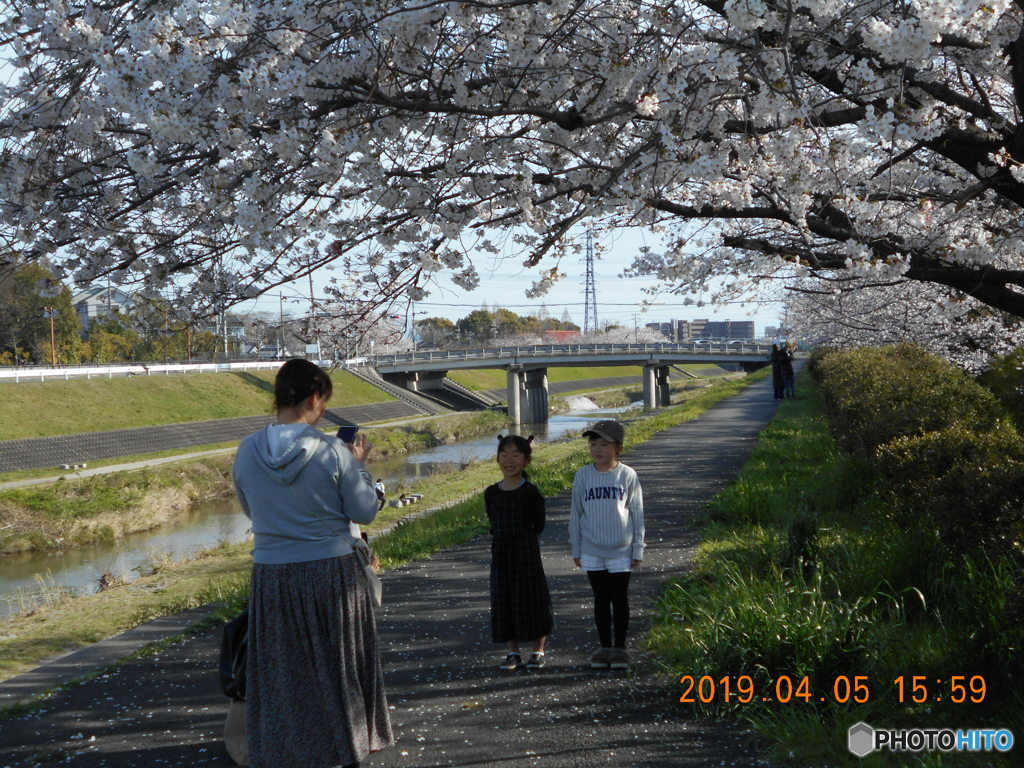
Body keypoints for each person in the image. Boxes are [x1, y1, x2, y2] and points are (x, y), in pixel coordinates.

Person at [232, 358, 393, 768]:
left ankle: (290, 749)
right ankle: (348, 745)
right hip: (330, 571)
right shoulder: (332, 450)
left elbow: (252, 510)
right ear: (316, 397)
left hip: (272, 574)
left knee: (287, 672)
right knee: (339, 668)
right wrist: (358, 467)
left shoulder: (248, 450)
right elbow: (365, 512)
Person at [569, 420, 645, 670]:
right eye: (593, 444)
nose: (597, 449)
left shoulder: (627, 475)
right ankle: (604, 647)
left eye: (604, 444)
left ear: (618, 448)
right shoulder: (583, 475)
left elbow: (637, 513)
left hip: (621, 548)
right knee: (600, 598)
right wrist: (577, 548)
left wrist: (638, 547)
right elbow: (575, 514)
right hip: (592, 549)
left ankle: (620, 649)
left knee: (619, 598)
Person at [484, 434, 553, 671]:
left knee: (533, 599)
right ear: (497, 459)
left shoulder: (531, 492)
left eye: (515, 455)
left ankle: (538, 649)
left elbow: (539, 524)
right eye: (504, 455)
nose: (509, 460)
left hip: (525, 551)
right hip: (500, 552)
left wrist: (524, 541)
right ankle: (512, 652)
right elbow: (493, 521)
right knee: (503, 601)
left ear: (526, 461)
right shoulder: (491, 492)